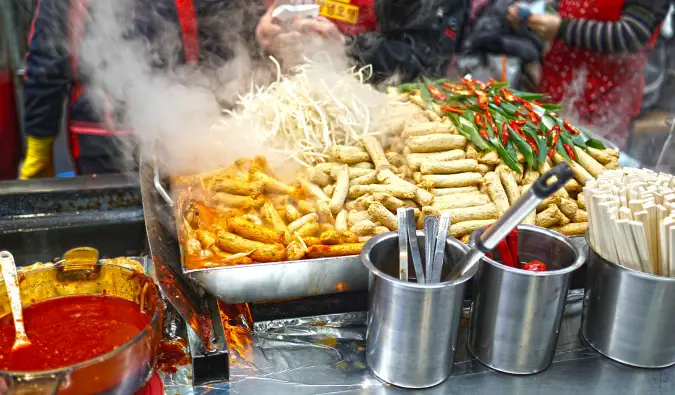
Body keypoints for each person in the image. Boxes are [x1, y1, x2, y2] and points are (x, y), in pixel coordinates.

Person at [20, 0, 335, 179]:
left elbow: (241, 32)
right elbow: (47, 60)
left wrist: (271, 33)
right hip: (108, 146)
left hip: (207, 136)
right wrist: (39, 143)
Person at [508, 0, 671, 149]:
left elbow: (631, 35)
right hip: (558, 83)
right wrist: (534, 15)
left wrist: (561, 28)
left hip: (604, 98)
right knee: (543, 148)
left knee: (588, 161)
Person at [257, 0, 470, 83]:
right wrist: (260, 31)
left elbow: (426, 58)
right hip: (285, 89)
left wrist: (347, 48)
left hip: (375, 108)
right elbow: (235, 18)